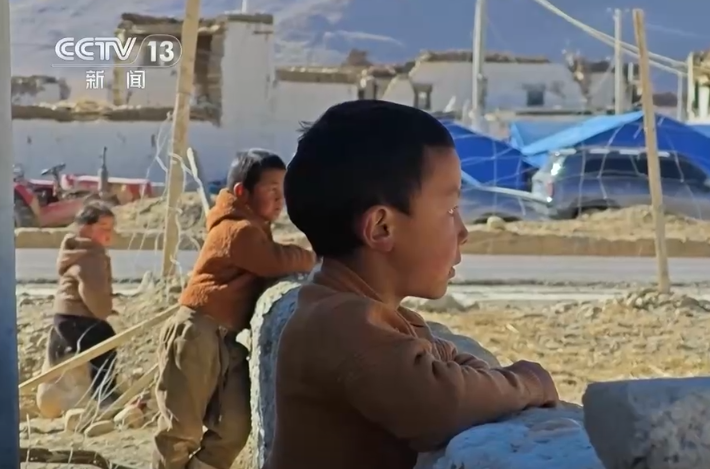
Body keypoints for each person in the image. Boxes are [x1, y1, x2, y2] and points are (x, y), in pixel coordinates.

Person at [265, 100, 560, 469]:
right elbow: (441, 404)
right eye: (450, 210)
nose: (463, 232)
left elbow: (454, 367)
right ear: (381, 228)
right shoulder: (337, 323)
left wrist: (491, 380)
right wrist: (528, 382)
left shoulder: (379, 318)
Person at [152, 149, 317, 469]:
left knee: (233, 427)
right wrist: (311, 258)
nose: (280, 199)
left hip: (226, 338)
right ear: (242, 192)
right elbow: (272, 260)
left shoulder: (254, 228)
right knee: (180, 431)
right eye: (271, 189)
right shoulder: (235, 230)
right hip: (197, 331)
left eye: (282, 190)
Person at [47, 201, 120, 408]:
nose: (109, 233)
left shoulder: (77, 250)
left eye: (111, 228)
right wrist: (104, 310)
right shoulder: (90, 256)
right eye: (103, 227)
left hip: (64, 316)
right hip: (76, 317)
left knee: (98, 334)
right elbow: (92, 291)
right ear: (86, 229)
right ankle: (103, 393)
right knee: (105, 340)